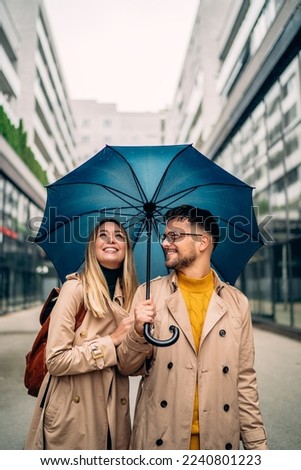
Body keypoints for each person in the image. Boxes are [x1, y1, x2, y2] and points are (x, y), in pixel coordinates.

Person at [117, 205, 268, 450]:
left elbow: (245, 381)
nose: (165, 243)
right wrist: (136, 331)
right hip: (161, 442)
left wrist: (257, 446)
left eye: (175, 236)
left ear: (203, 242)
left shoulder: (237, 302)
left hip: (217, 443)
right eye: (165, 237)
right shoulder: (148, 295)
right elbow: (127, 367)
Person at [24, 218, 138, 450]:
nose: (111, 240)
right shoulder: (74, 290)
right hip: (73, 414)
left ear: (127, 247)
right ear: (92, 246)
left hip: (114, 414)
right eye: (103, 235)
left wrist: (140, 335)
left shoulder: (133, 298)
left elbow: (130, 367)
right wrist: (112, 340)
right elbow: (55, 360)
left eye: (119, 236)